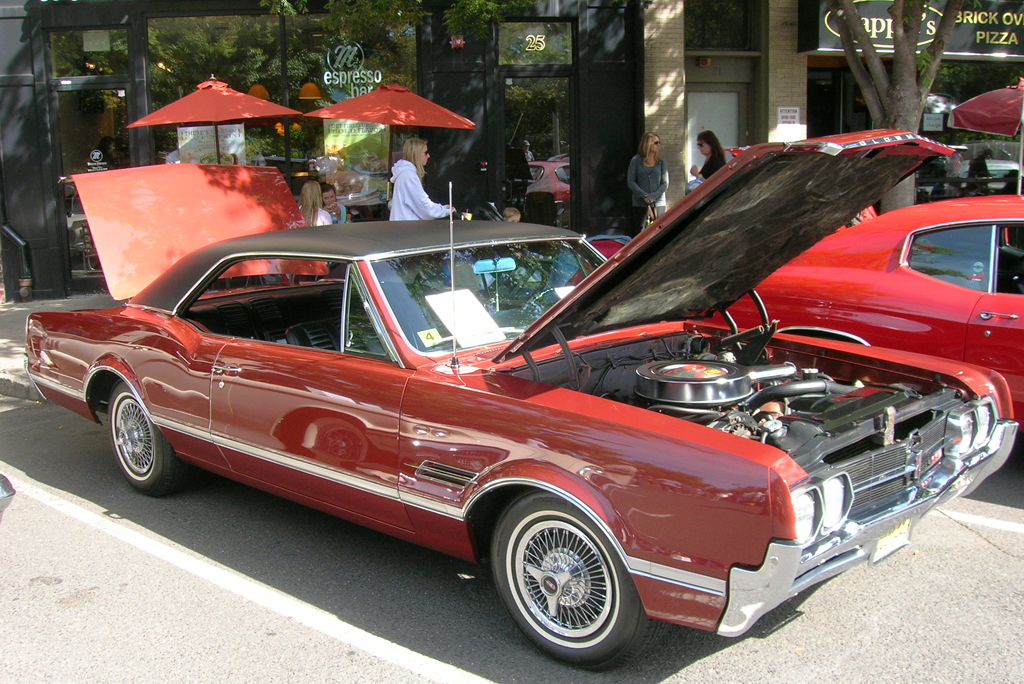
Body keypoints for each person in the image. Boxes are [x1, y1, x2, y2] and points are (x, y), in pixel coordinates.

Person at [389, 138, 455, 221]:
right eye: (425, 153)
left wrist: (442, 208)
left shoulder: (404, 173)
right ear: (416, 154)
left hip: (402, 228)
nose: (428, 156)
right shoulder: (409, 176)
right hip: (408, 229)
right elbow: (424, 207)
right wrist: (445, 210)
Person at [626, 132, 669, 237]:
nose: (658, 145)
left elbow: (665, 183)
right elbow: (631, 181)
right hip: (640, 202)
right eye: (656, 143)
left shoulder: (661, 161)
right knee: (641, 230)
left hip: (658, 201)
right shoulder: (636, 160)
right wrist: (644, 196)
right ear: (647, 144)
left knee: (659, 228)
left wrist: (653, 196)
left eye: (659, 143)